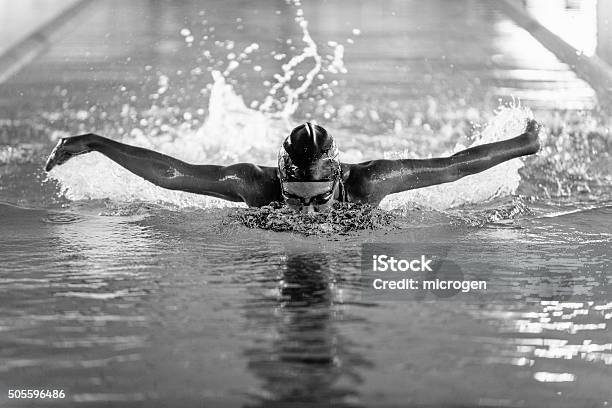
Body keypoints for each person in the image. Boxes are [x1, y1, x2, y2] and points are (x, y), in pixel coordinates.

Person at [44, 120, 541, 212]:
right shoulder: (254, 186)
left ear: (337, 177)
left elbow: (453, 167)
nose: (306, 212)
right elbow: (173, 175)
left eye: (319, 198)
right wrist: (93, 142)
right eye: (294, 197)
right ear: (280, 178)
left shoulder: (372, 182)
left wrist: (523, 143)